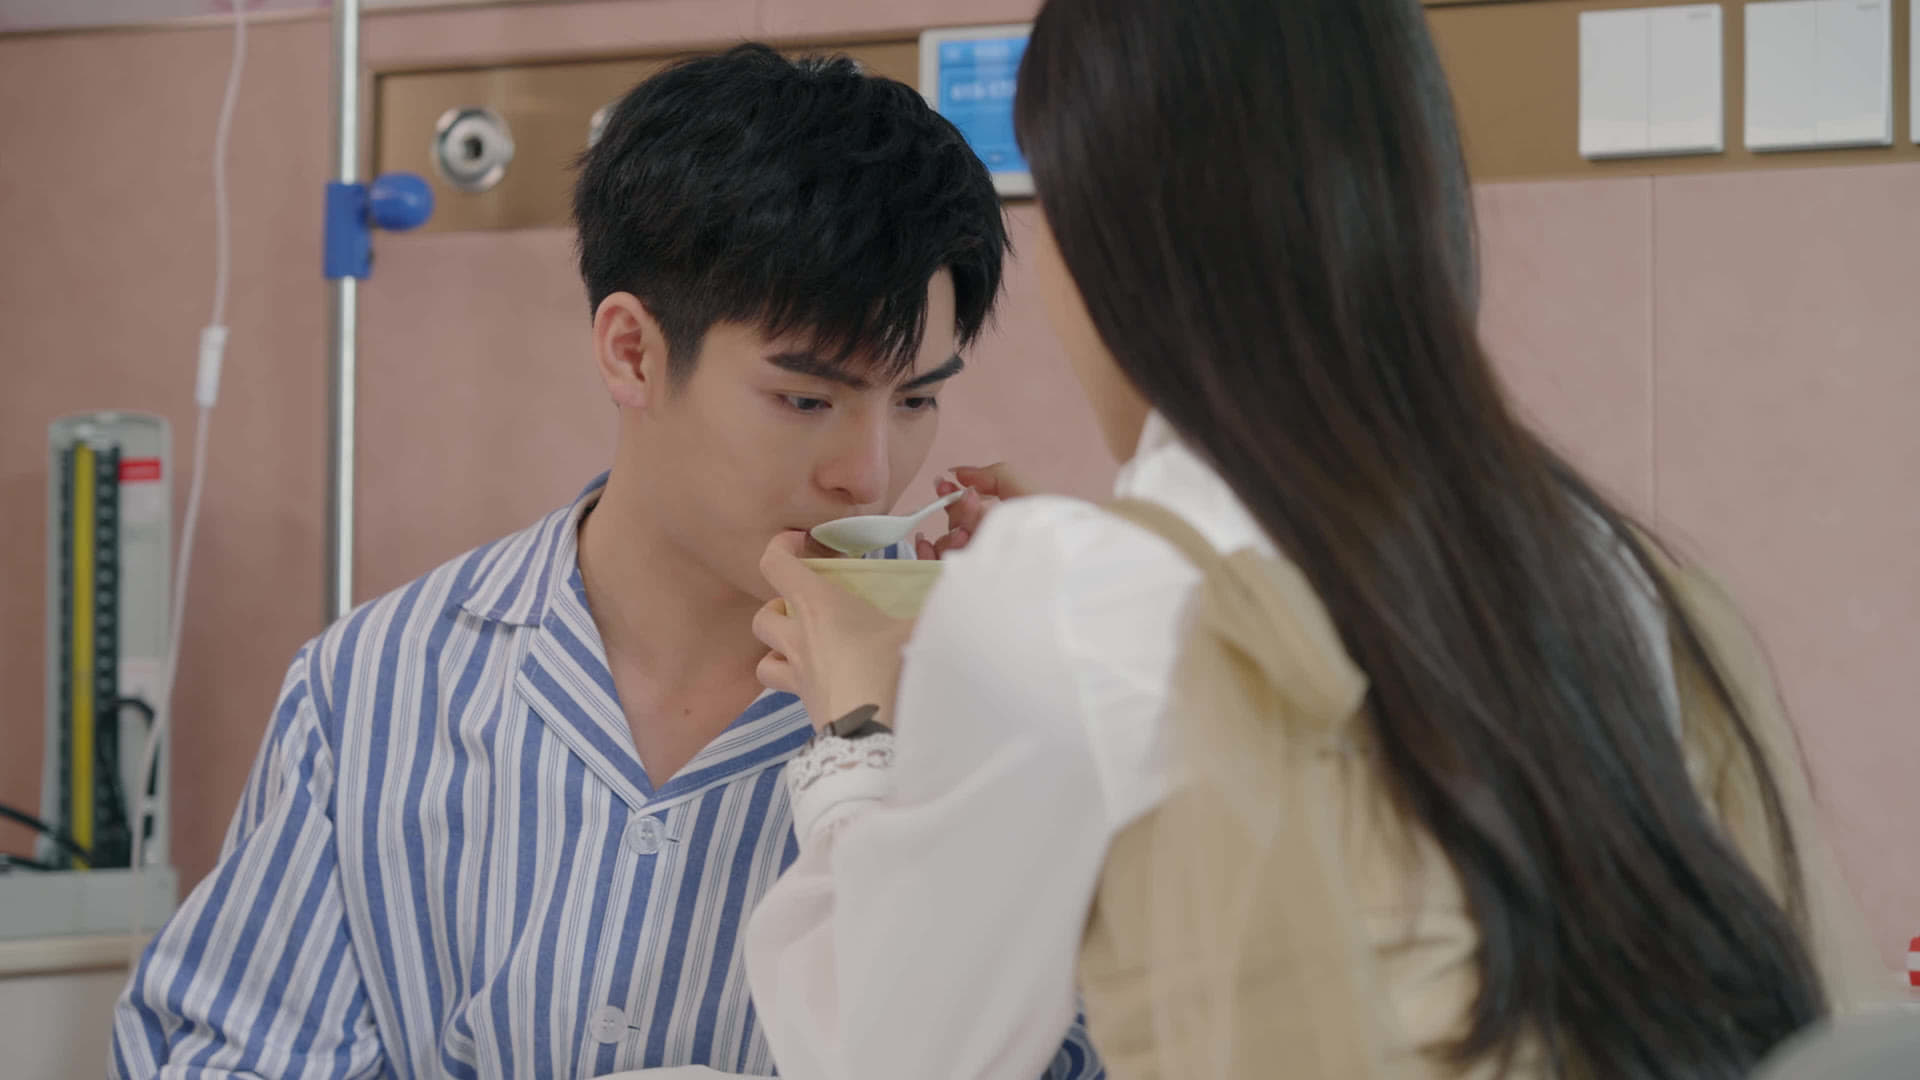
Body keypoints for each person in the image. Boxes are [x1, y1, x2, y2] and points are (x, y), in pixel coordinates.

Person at [742, 2, 1893, 1078]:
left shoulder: (1066, 599)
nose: (868, 466)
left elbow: (885, 1053)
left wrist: (862, 730)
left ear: (1108, 238)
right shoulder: (1594, 556)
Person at [110, 44, 1101, 1080]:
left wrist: (1011, 716)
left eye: (917, 399)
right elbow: (228, 1058)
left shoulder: (986, 710)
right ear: (632, 351)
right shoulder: (373, 690)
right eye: (807, 399)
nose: (871, 472)